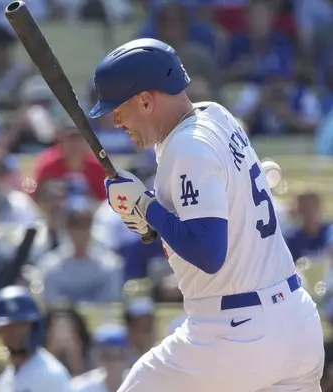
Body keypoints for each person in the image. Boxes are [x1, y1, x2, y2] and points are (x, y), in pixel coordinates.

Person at [89, 38, 324, 391]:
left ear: (146, 100)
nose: (115, 121)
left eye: (117, 109)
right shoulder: (216, 114)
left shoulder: (188, 146)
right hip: (295, 320)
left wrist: (147, 208)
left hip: (236, 331)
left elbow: (209, 252)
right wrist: (152, 216)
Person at [70, 324, 131, 392]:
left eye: (119, 356)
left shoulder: (139, 380)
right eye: (107, 357)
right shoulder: (80, 387)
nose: (114, 363)